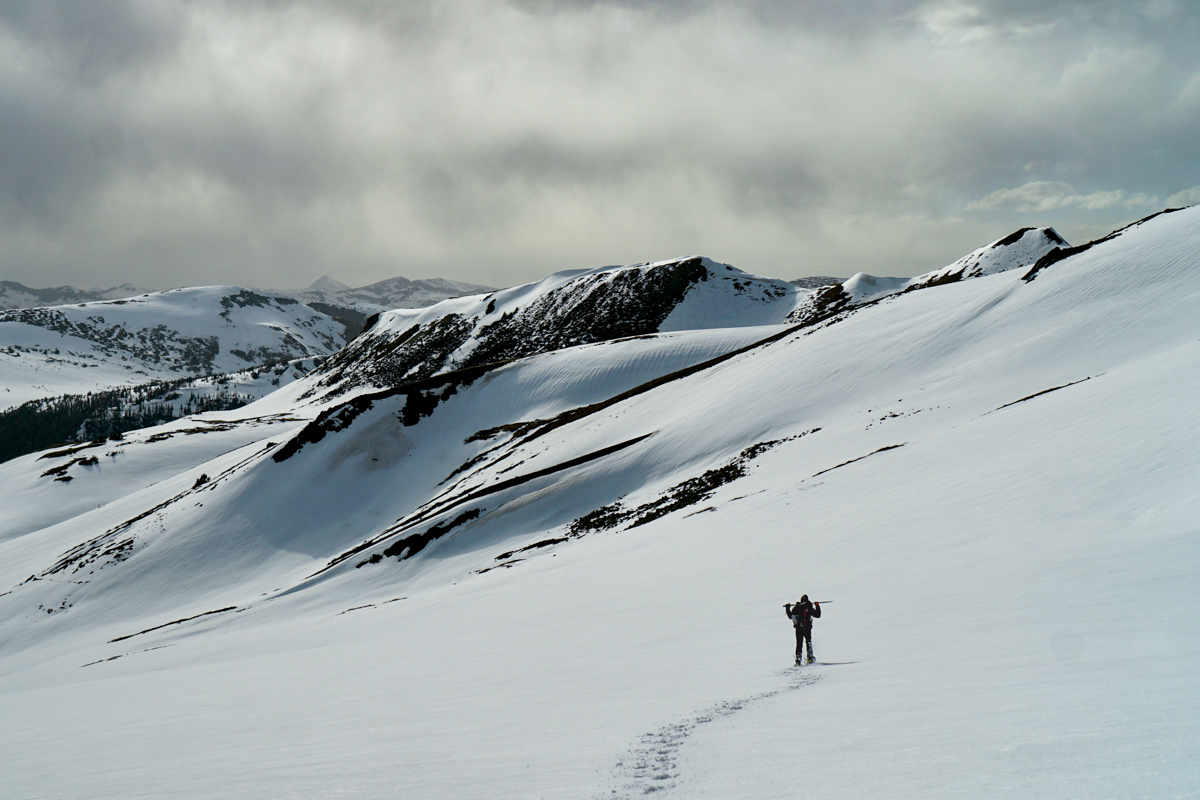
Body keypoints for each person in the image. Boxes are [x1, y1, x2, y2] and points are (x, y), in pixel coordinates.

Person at [784, 595, 821, 665]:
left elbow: (790, 616)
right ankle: (809, 658)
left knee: (799, 644)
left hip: (799, 628)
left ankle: (798, 660)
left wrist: (787, 608)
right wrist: (817, 606)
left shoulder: (796, 608)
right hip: (807, 628)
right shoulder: (809, 608)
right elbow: (818, 615)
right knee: (808, 642)